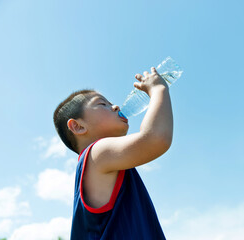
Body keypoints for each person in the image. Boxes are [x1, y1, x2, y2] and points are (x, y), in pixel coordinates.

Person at [53, 67, 173, 239]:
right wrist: (158, 89)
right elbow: (156, 138)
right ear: (78, 126)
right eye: (102, 104)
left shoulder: (106, 161)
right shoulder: (97, 153)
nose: (115, 106)